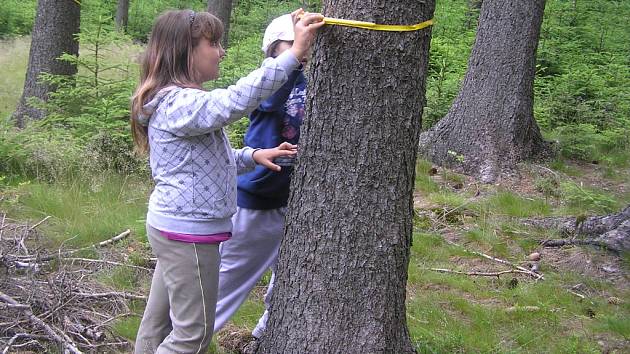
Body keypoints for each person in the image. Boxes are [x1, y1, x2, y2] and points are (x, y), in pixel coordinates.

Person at [130, 9, 324, 354]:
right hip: (188, 234)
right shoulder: (180, 102)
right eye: (213, 43)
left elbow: (202, 165)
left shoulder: (173, 101)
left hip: (174, 228)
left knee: (159, 324)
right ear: (184, 50)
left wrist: (252, 157)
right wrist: (293, 55)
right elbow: (234, 101)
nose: (222, 51)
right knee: (192, 336)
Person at [213, 13, 308, 343]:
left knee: (292, 274)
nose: (301, 50)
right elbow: (268, 97)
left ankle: (267, 334)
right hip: (259, 200)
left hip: (298, 200)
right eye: (290, 45)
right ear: (273, 52)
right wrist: (294, 58)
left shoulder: (314, 79)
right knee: (227, 281)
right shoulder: (272, 82)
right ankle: (182, 340)